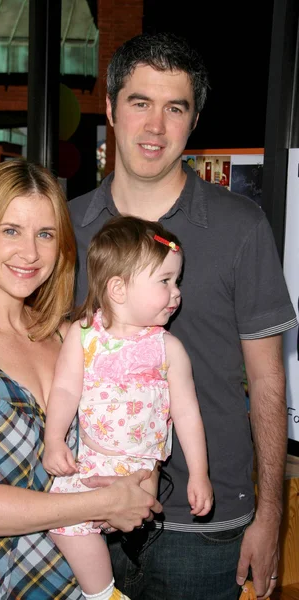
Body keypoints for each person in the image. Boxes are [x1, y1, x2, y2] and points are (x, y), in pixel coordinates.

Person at [68, 32, 298, 600]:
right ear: (111, 109)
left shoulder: (241, 227)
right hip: (85, 513)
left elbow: (269, 381)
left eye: (175, 108)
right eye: (140, 103)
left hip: (204, 525)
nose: (155, 126)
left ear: (193, 121)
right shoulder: (65, 230)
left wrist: (271, 517)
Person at [0, 159, 163, 600]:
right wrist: (105, 503)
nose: (30, 253)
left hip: (81, 582)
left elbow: (135, 418)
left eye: (45, 234)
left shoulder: (70, 336)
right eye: (10, 230)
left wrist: (139, 481)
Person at [43, 215, 213, 600]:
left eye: (177, 281)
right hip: (92, 462)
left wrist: (199, 474)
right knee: (61, 522)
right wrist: (54, 439)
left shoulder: (168, 348)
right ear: (118, 288)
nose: (177, 293)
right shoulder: (82, 335)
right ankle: (102, 593)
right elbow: (66, 389)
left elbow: (187, 414)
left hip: (139, 473)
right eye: (165, 281)